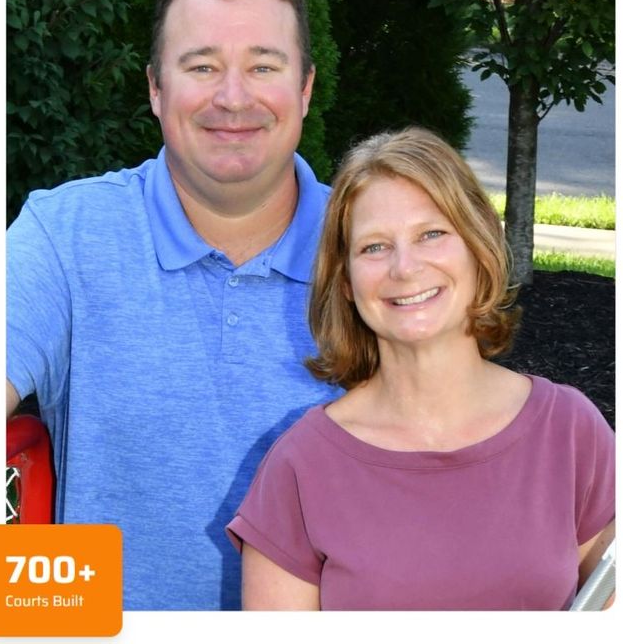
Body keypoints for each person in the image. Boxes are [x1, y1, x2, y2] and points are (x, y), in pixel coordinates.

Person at [6, 0, 342, 610]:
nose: (233, 96)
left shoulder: (375, 249)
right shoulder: (65, 232)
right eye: (202, 66)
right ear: (156, 89)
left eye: (263, 66)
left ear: (305, 87)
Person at [226, 126, 615, 611]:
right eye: (374, 247)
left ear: (478, 247)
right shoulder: (300, 468)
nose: (404, 268)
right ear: (345, 281)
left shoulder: (571, 432)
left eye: (431, 234)